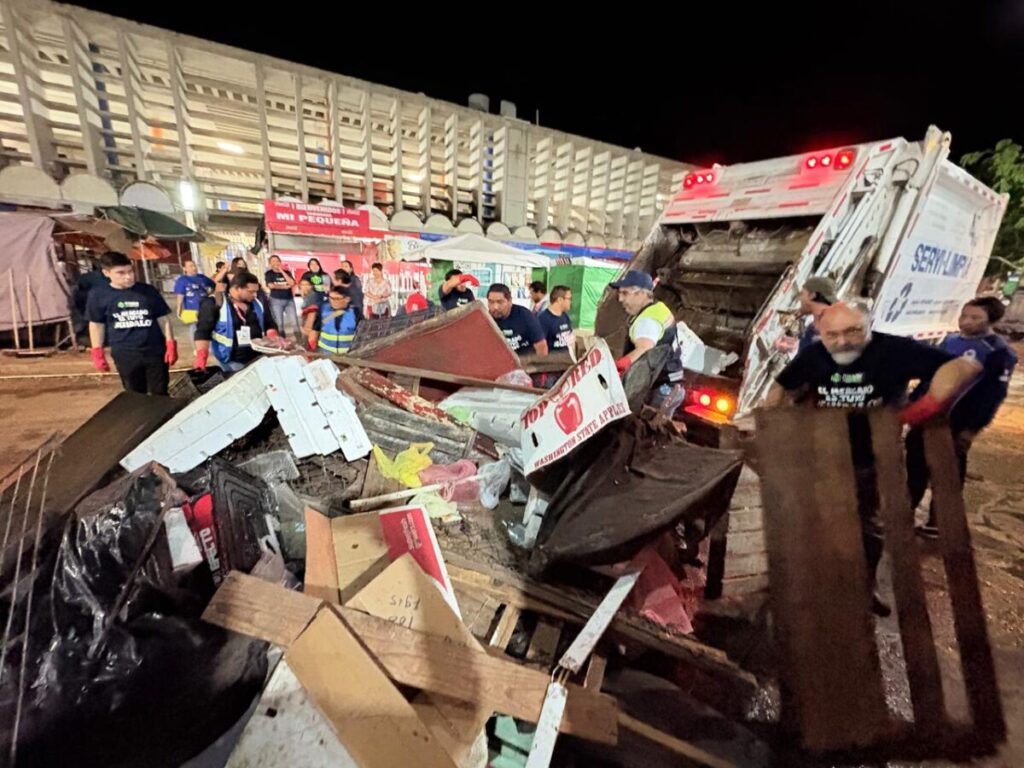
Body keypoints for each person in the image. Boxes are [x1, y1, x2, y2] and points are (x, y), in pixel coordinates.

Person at [765, 301, 982, 615]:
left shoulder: (895, 351)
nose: (842, 342)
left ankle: (866, 587)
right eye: (832, 335)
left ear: (869, 326)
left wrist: (928, 403)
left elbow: (964, 367)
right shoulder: (814, 354)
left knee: (869, 525)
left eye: (852, 331)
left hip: (875, 456)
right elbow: (782, 385)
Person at [907, 296, 1018, 537]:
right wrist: (913, 404)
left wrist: (971, 429)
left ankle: (939, 523)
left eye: (975, 317)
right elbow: (930, 377)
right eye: (964, 315)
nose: (965, 321)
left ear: (991, 320)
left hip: (955, 422)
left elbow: (992, 395)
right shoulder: (950, 341)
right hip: (927, 416)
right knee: (914, 467)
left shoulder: (999, 353)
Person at [87, 251, 176, 395]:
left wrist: (170, 343)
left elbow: (163, 318)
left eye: (130, 271)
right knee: (135, 394)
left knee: (160, 393)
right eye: (121, 273)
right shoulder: (98, 295)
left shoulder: (148, 291)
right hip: (125, 353)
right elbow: (97, 324)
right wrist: (97, 351)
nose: (128, 277)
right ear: (106, 273)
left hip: (154, 350)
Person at [610, 270, 685, 416]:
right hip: (672, 384)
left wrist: (619, 366)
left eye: (625, 293)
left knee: (647, 430)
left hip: (661, 389)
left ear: (642, 294)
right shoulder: (657, 308)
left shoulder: (647, 320)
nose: (620, 299)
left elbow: (644, 348)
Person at [194, 271, 279, 373]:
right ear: (238, 288)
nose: (255, 295)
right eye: (251, 291)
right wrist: (202, 356)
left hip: (257, 356)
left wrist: (272, 335)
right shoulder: (214, 303)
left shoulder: (257, 302)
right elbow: (203, 331)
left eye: (256, 291)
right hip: (231, 359)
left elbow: (269, 321)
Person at [487, 283, 547, 357]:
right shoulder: (485, 320)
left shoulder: (525, 316)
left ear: (510, 301)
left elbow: (541, 345)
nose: (495, 307)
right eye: (491, 302)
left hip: (525, 363)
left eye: (500, 302)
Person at [311, 285, 360, 354]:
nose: (333, 301)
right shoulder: (323, 310)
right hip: (325, 353)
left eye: (337, 298)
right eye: (331, 298)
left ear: (347, 299)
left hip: (348, 355)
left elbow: (361, 335)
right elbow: (315, 330)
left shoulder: (355, 312)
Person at [173, 259, 215, 339]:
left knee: (208, 327)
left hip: (205, 308)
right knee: (194, 328)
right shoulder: (182, 280)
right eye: (190, 266)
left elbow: (213, 285)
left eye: (194, 265)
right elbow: (180, 295)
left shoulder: (202, 278)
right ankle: (196, 348)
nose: (194, 268)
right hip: (192, 309)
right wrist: (179, 308)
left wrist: (209, 294)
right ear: (184, 268)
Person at [264, 255, 299, 336]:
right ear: (270, 263)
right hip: (276, 301)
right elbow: (270, 285)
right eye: (273, 261)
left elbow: (292, 283)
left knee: (295, 322)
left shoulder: (287, 272)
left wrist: (282, 271)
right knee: (279, 324)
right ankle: (282, 342)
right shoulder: (269, 274)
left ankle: (300, 340)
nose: (276, 263)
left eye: (277, 261)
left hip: (289, 300)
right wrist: (284, 287)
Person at [538, 285, 574, 353]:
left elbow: (571, 338)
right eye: (569, 299)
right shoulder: (543, 319)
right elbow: (540, 346)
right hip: (553, 361)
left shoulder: (565, 316)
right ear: (560, 300)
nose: (570, 302)